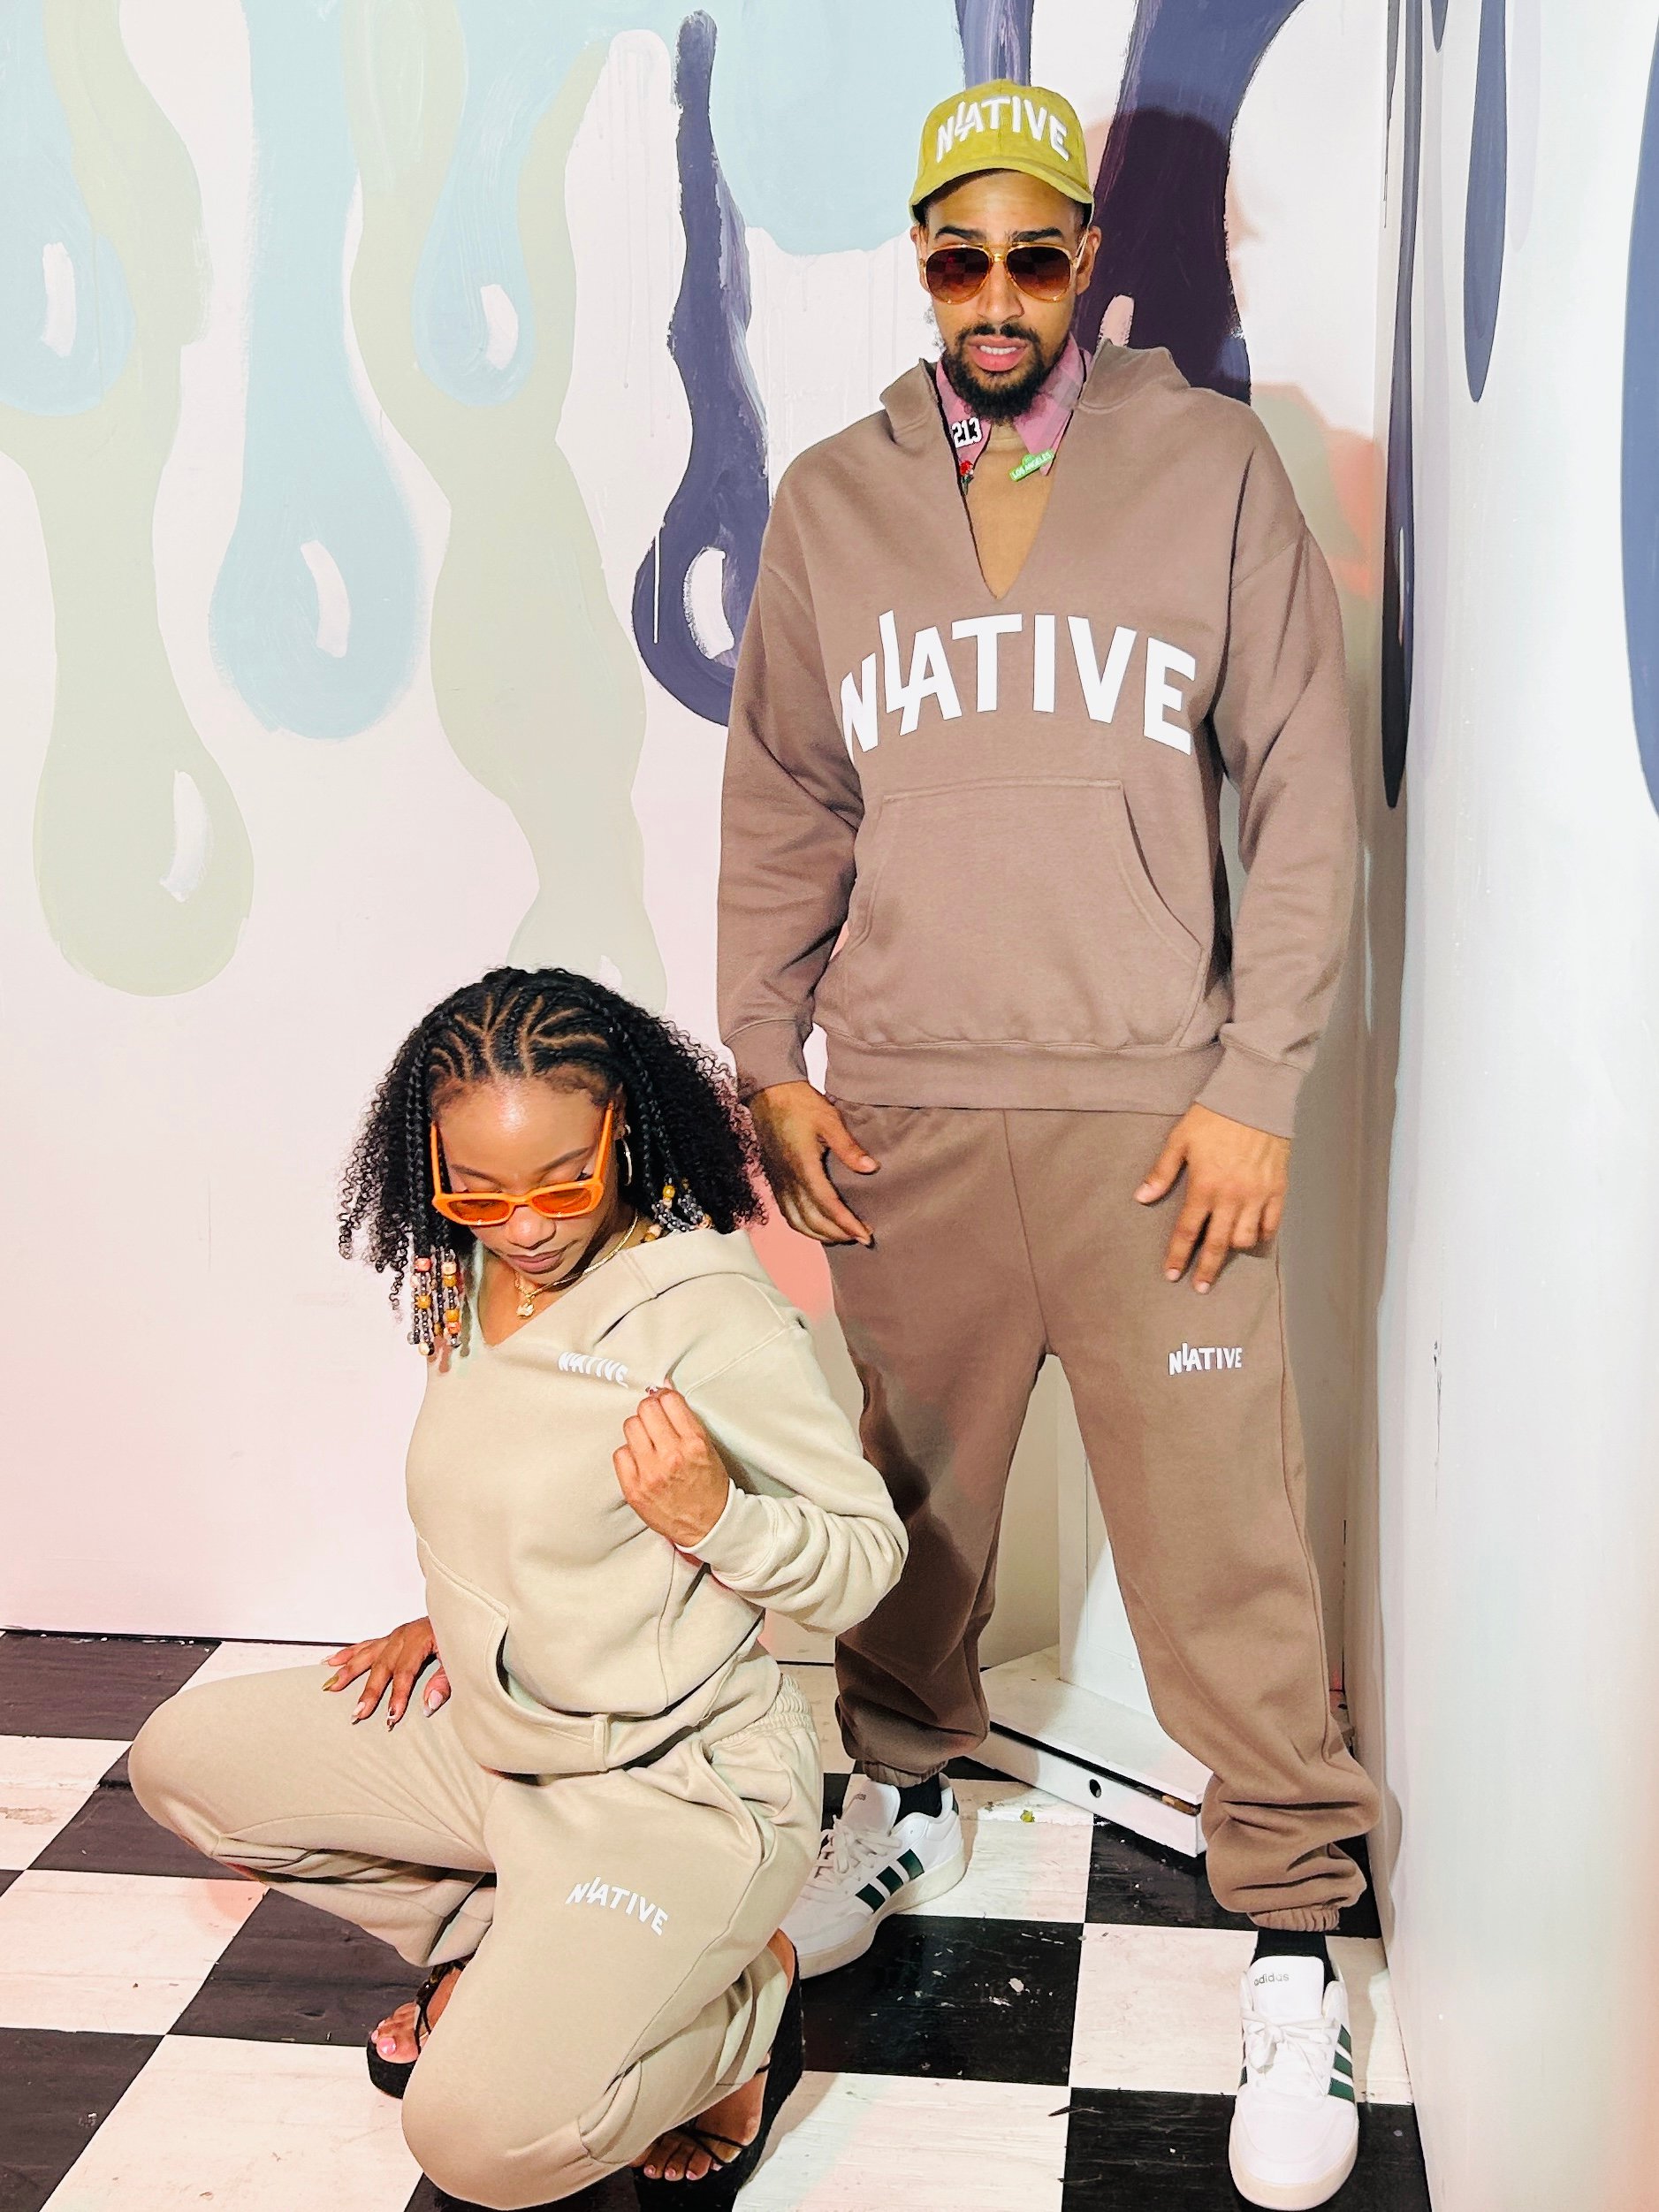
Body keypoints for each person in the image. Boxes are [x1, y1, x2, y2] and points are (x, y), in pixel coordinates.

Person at [717, 80, 1381, 2211]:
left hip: (1153, 1127)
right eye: (958, 256)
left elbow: (1303, 789)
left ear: (1085, 260)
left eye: (1032, 254)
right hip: (902, 1110)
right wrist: (769, 1054)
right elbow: (786, 799)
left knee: (1222, 1537)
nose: (994, 295)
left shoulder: (1209, 467)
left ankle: (1292, 1932)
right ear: (919, 261)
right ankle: (897, 1792)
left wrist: (1254, 1083)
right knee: (909, 1501)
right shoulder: (834, 501)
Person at [129, 967, 906, 2211]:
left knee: (477, 2146)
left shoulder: (707, 1311)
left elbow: (866, 1557)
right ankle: (502, 1949)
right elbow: (509, 1485)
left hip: (671, 1783)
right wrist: (457, 1616)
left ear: (624, 1131)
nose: (525, 1225)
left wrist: (720, 1519)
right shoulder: (466, 1269)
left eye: (562, 1180)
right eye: (479, 1190)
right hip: (502, 1748)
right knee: (185, 1759)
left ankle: (743, 2012)